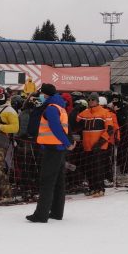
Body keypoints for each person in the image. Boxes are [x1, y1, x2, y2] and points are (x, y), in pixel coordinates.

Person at [27, 83, 72, 223]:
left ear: (45, 94)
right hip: (58, 149)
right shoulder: (60, 107)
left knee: (47, 181)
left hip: (53, 148)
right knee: (58, 181)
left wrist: (67, 143)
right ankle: (57, 212)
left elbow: (56, 128)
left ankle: (41, 214)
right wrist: (67, 142)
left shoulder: (51, 108)